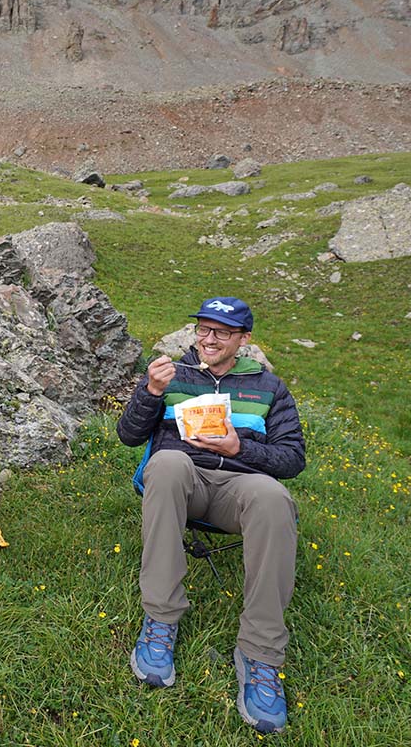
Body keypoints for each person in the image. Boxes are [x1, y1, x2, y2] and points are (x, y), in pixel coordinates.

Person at [116, 296, 305, 735]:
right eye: (202, 329)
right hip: (183, 481)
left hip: (238, 486)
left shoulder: (268, 387)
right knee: (165, 463)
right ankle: (160, 620)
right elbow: (128, 436)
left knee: (274, 498)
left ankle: (260, 653)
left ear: (243, 339)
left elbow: (293, 459)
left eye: (221, 332)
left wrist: (242, 448)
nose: (209, 339)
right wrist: (151, 392)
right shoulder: (174, 374)